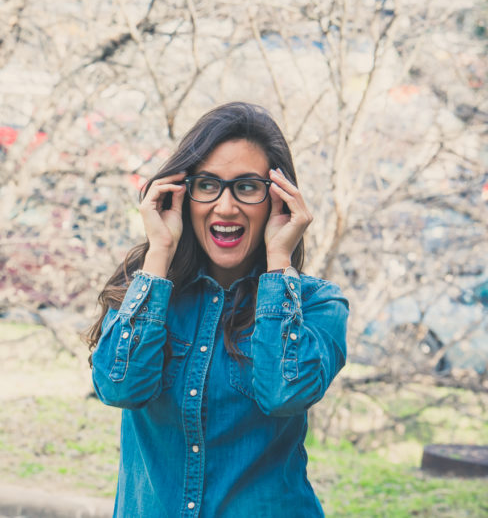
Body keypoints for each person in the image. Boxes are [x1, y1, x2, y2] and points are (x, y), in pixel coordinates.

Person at [85, 102, 348, 518]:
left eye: (247, 187)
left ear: (277, 200)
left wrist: (279, 260)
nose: (226, 207)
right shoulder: (148, 293)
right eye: (208, 185)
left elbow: (285, 394)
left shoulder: (318, 305)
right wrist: (159, 254)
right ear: (183, 195)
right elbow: (119, 387)